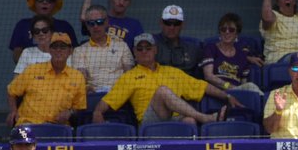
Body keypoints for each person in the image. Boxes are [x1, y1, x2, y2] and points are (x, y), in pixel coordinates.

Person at [91, 33, 240, 128]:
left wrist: (226, 95)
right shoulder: (129, 77)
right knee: (162, 91)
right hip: (150, 122)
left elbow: (201, 86)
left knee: (189, 121)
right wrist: (98, 112)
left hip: (175, 119)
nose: (144, 51)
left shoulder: (172, 71)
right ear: (134, 53)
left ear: (155, 50)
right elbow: (109, 100)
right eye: (140, 49)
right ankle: (206, 118)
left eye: (147, 48)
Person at [5, 32, 85, 128]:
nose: (58, 50)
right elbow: (11, 91)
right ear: (49, 50)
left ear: (70, 51)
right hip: (29, 124)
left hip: (58, 127)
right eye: (55, 47)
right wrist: (13, 111)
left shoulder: (77, 77)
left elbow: (79, 107)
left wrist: (70, 112)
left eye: (63, 47)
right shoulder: (33, 70)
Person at [71, 5, 136, 94]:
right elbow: (82, 78)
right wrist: (87, 88)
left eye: (99, 22)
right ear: (87, 26)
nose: (96, 26)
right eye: (91, 23)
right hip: (93, 95)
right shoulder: (79, 51)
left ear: (107, 22)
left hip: (118, 94)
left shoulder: (122, 46)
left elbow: (129, 74)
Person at [9, 0, 78, 64]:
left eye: (49, 0)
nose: (44, 2)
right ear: (35, 3)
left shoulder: (65, 26)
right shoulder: (22, 25)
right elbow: (16, 53)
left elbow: (73, 52)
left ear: (54, 4)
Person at [201, 13, 264, 94]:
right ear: (220, 32)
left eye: (231, 30)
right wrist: (229, 86)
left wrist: (238, 92)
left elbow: (243, 82)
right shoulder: (210, 48)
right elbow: (208, 76)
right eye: (223, 29)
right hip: (216, 90)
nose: (227, 32)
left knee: (251, 89)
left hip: (236, 93)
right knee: (251, 87)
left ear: (237, 34)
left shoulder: (242, 55)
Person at [79, 0, 144, 48]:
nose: (121, 2)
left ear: (129, 2)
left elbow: (141, 48)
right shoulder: (100, 20)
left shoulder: (135, 24)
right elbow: (84, 17)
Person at [153, 5, 202, 79]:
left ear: (182, 25)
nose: (172, 27)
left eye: (176, 23)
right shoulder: (150, 44)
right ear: (161, 23)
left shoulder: (193, 48)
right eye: (168, 23)